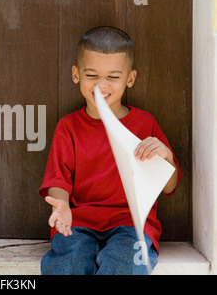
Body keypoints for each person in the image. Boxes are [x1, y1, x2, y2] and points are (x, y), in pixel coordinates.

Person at [39, 26, 182, 275]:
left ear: (130, 78)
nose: (101, 85)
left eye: (113, 77)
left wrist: (166, 156)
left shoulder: (144, 124)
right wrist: (60, 206)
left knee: (124, 262)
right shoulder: (68, 127)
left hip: (131, 226)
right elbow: (58, 181)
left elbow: (169, 187)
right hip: (79, 222)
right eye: (91, 75)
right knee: (68, 262)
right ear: (76, 75)